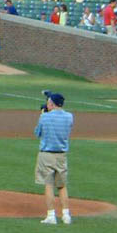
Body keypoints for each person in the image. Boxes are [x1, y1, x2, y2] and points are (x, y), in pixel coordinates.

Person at [34, 93, 74, 225]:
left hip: (46, 154)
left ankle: (51, 215)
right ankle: (66, 215)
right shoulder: (69, 117)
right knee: (62, 186)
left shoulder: (45, 117)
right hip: (61, 155)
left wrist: (42, 115)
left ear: (51, 103)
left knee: (49, 184)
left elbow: (37, 133)